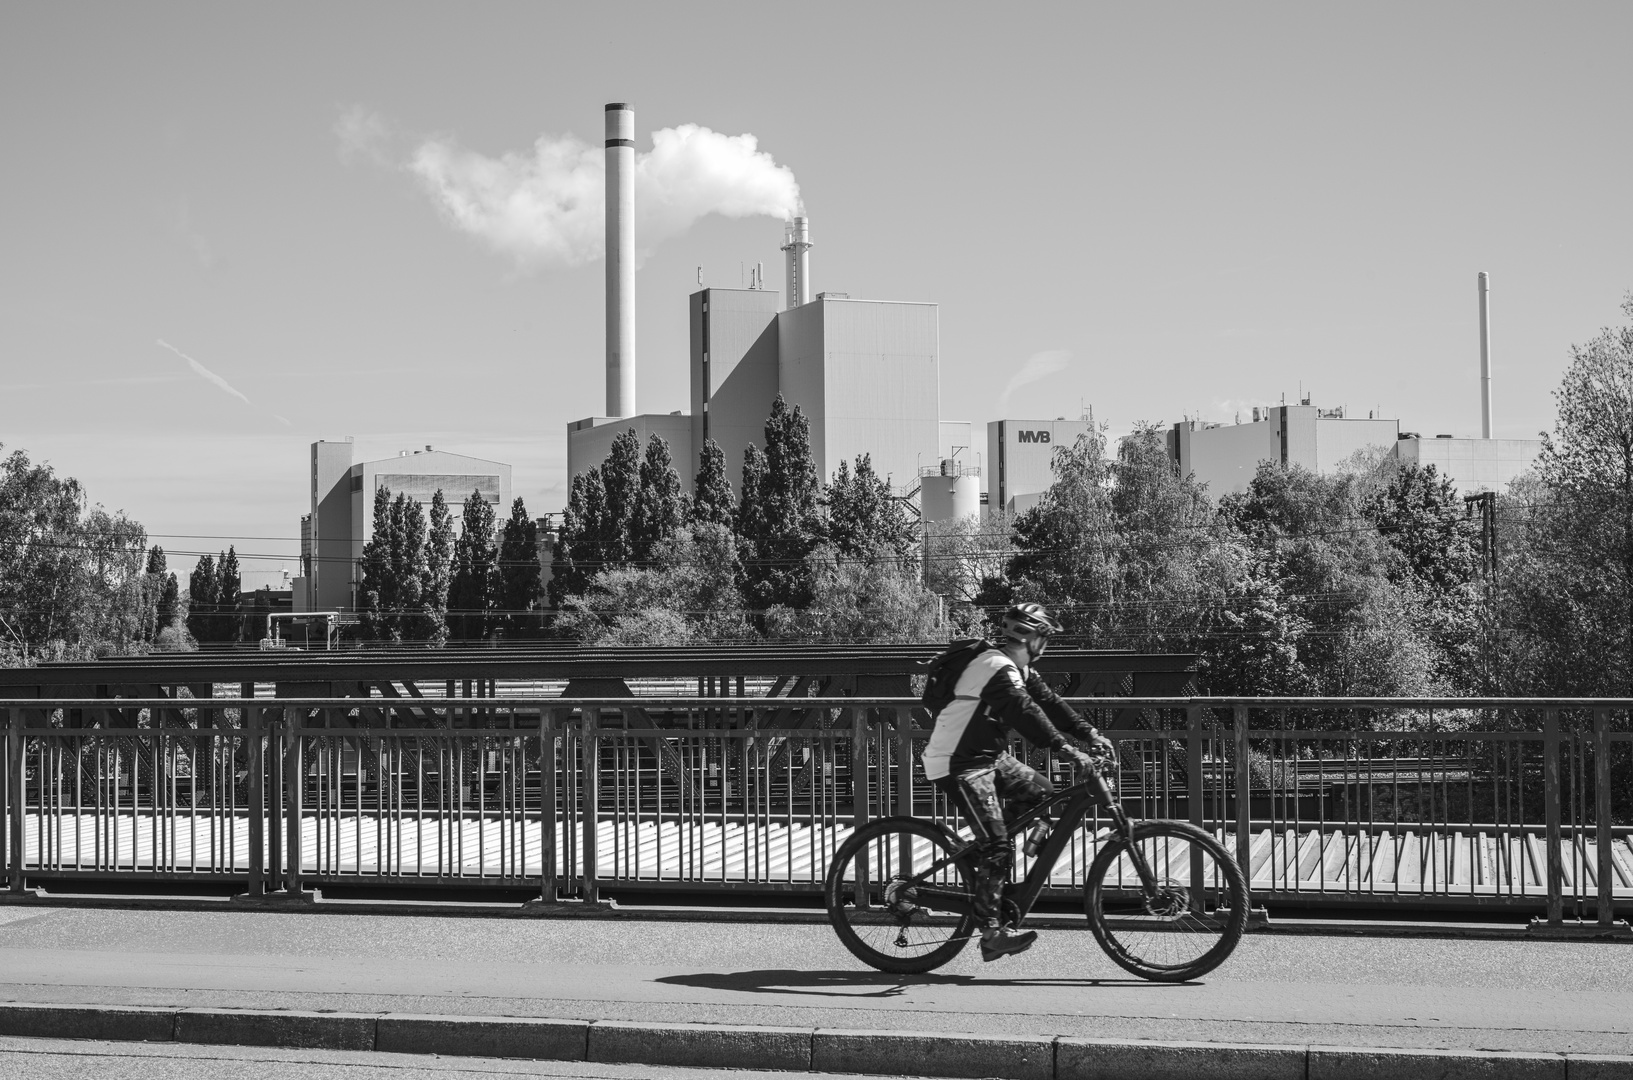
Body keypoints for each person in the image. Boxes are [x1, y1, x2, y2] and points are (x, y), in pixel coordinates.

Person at [921, 602, 1115, 961]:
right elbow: (1025, 712)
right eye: (1045, 638)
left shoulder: (1017, 669)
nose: (1046, 645)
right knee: (998, 844)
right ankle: (992, 930)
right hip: (958, 764)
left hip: (989, 759)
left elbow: (1048, 703)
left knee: (1041, 793)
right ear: (1032, 638)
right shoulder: (996, 667)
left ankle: (988, 856)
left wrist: (1088, 733)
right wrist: (1068, 751)